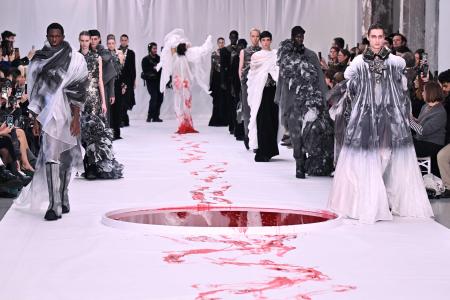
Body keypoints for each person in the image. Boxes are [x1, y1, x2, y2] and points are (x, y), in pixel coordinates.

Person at [328, 23, 433, 224]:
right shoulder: (358, 62)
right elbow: (349, 85)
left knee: (385, 156)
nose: (377, 40)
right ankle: (368, 203)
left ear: (385, 39)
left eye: (380, 36)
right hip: (364, 118)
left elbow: (404, 85)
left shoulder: (396, 62)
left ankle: (381, 198)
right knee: (367, 160)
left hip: (388, 117)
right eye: (373, 36)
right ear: (368, 38)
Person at [14, 23, 89, 221]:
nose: (54, 39)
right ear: (47, 36)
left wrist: (76, 118)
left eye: (57, 36)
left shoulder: (75, 58)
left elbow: (79, 89)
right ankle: (53, 203)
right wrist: (35, 119)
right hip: (48, 115)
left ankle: (64, 196)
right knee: (50, 154)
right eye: (51, 36)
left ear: (63, 36)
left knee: (65, 155)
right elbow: (35, 90)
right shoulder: (39, 59)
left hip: (68, 114)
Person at [275, 25, 333, 179]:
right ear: (292, 37)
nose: (300, 39)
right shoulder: (286, 57)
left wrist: (324, 97)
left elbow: (320, 77)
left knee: (308, 132)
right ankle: (299, 163)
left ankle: (306, 161)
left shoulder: (311, 55)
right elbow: (282, 79)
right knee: (295, 134)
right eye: (297, 36)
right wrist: (278, 97)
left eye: (302, 36)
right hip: (291, 101)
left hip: (309, 101)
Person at [79, 31, 124, 180]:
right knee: (83, 133)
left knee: (95, 133)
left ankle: (92, 166)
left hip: (95, 99)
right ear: (79, 41)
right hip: (80, 99)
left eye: (87, 40)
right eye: (83, 40)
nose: (86, 43)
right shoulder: (76, 58)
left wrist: (104, 101)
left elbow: (99, 81)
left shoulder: (96, 57)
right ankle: (87, 163)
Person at [157, 29, 213, 134]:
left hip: (183, 83)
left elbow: (197, 50)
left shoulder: (182, 56)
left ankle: (185, 124)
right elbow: (193, 48)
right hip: (180, 83)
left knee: (184, 103)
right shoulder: (178, 56)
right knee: (181, 103)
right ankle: (183, 124)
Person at [247, 31, 280, 162]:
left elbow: (279, 70)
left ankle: (271, 150)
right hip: (260, 92)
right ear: (260, 42)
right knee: (262, 120)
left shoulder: (276, 54)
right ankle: (262, 150)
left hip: (273, 91)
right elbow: (253, 74)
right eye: (264, 40)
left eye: (268, 40)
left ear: (271, 41)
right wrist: (267, 72)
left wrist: (272, 71)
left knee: (272, 119)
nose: (266, 42)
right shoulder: (256, 56)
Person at [239, 28, 261, 149]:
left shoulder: (262, 51)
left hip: (259, 84)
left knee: (258, 111)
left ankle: (256, 138)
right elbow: (240, 68)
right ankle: (247, 136)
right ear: (250, 37)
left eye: (257, 36)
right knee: (247, 112)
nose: (255, 39)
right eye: (253, 36)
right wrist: (242, 83)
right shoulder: (244, 51)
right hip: (247, 84)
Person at [220, 30, 240, 135]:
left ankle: (237, 125)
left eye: (235, 37)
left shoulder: (240, 49)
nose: (233, 39)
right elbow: (223, 67)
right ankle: (231, 126)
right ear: (229, 37)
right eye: (232, 37)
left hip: (238, 80)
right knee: (230, 103)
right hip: (228, 80)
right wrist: (222, 81)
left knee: (237, 102)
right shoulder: (224, 50)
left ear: (237, 38)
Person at [116, 34, 136, 127]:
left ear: (127, 41)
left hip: (128, 80)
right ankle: (122, 119)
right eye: (122, 40)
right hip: (118, 79)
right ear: (120, 41)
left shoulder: (131, 53)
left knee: (126, 100)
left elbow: (133, 68)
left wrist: (134, 81)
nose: (124, 42)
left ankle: (123, 119)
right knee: (120, 100)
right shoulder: (116, 52)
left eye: (125, 40)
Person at [141, 42, 163, 122]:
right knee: (154, 97)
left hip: (159, 81)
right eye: (154, 48)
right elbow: (145, 70)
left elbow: (162, 69)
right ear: (150, 49)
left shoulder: (159, 58)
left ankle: (156, 117)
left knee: (160, 98)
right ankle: (150, 116)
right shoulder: (145, 59)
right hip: (150, 81)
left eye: (156, 48)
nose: (155, 50)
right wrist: (154, 69)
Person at [208, 37, 228, 127]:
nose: (221, 44)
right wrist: (210, 81)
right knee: (216, 99)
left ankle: (224, 119)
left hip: (224, 78)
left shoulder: (226, 53)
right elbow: (212, 68)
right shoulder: (214, 54)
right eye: (219, 42)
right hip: (216, 78)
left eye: (223, 42)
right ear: (217, 43)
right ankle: (215, 119)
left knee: (224, 99)